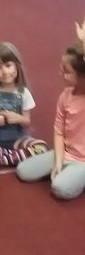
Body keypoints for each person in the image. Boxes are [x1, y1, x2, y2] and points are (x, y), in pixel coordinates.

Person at [17, 37, 85, 200]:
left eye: (66, 70)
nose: (61, 72)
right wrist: (58, 162)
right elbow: (59, 132)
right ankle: (69, 172)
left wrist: (83, 43)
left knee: (59, 188)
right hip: (67, 153)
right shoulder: (65, 96)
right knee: (22, 171)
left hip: (83, 161)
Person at [0, 42, 47, 172]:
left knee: (42, 148)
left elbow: (27, 121)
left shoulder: (23, 92)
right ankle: (13, 156)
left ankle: (1, 159)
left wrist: (17, 118)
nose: (4, 72)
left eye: (8, 66)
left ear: (16, 65)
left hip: (17, 140)